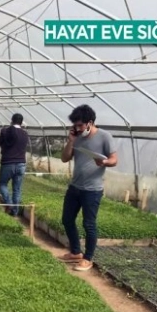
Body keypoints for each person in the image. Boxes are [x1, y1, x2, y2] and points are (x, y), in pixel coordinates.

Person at [59, 104, 117, 271]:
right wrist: (70, 141)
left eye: (80, 125)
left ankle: (88, 258)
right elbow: (64, 158)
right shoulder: (76, 137)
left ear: (90, 122)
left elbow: (114, 159)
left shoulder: (105, 136)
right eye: (75, 125)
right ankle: (76, 252)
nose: (77, 128)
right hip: (75, 187)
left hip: (92, 189)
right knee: (67, 219)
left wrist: (104, 162)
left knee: (89, 224)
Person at [0, 113, 29, 217]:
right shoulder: (25, 134)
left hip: (8, 163)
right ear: (21, 122)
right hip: (21, 164)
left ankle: (9, 204)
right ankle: (15, 212)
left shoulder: (5, 131)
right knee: (17, 189)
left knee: (2, 184)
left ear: (11, 120)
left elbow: (0, 142)